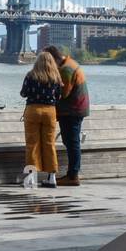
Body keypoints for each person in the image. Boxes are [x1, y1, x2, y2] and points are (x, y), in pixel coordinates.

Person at [45, 45, 89, 186]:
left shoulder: (66, 70)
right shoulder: (70, 63)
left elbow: (63, 93)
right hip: (76, 109)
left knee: (72, 143)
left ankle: (73, 176)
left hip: (72, 110)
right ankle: (72, 174)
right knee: (71, 142)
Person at [20, 51, 61, 189]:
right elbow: (59, 96)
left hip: (33, 110)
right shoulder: (56, 77)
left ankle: (31, 178)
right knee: (50, 143)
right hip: (50, 111)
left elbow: (23, 93)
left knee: (32, 143)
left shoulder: (31, 75)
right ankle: (52, 177)